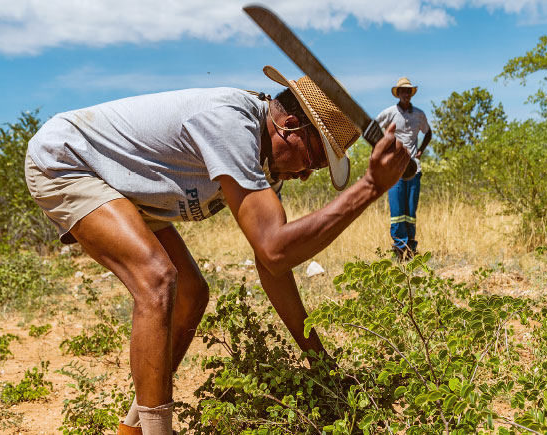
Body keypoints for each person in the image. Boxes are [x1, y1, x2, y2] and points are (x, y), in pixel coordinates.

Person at [24, 65, 410, 435]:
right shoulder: (232, 124)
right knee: (156, 278)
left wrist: (319, 361)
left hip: (128, 188)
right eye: (313, 159)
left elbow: (272, 266)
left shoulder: (261, 160)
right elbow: (276, 249)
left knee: (192, 294)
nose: (306, 174)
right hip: (67, 161)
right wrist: (370, 187)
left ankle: (134, 428)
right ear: (291, 127)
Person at [375, 77, 432, 261]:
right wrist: (386, 148)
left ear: (411, 93)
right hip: (395, 167)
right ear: (398, 94)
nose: (405, 94)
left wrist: (421, 150)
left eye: (408, 91)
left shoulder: (419, 114)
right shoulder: (390, 112)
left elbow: (428, 132)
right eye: (403, 91)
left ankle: (411, 247)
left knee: (410, 211)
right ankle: (399, 248)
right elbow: (375, 127)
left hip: (413, 167)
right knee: (397, 210)